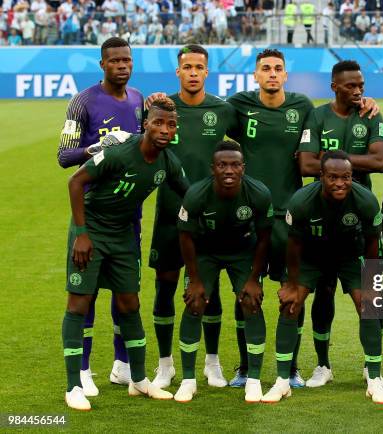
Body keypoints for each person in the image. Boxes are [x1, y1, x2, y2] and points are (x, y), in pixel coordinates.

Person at [227, 49, 379, 388]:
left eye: (277, 69)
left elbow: (321, 144)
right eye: (265, 68)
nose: (271, 73)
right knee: (246, 291)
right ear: (255, 75)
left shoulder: (303, 108)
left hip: (289, 216)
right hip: (247, 214)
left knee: (290, 290)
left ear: (285, 75)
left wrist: (365, 102)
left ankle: (291, 368)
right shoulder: (237, 104)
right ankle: (243, 367)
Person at [62, 97, 189, 410]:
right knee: (79, 303)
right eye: (158, 122)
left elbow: (191, 193)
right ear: (145, 123)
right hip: (91, 230)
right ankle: (73, 386)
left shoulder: (168, 162)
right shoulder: (120, 152)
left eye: (170, 125)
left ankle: (139, 380)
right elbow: (75, 182)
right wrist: (81, 234)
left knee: (130, 303)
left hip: (122, 236)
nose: (164, 129)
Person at [261, 151, 383, 404]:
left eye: (346, 177)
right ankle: (282, 381)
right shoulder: (301, 202)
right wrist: (291, 284)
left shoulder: (365, 201)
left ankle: (374, 379)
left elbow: (373, 243)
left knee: (369, 305)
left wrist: (371, 282)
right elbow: (294, 245)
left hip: (351, 254)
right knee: (290, 305)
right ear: (321, 176)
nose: (340, 183)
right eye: (332, 177)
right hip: (312, 254)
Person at [146, 45, 238, 389]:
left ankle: (212, 362)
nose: (194, 72)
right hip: (169, 212)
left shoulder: (223, 109)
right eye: (188, 67)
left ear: (207, 72)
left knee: (208, 289)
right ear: (178, 72)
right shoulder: (163, 108)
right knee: (165, 286)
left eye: (200, 67)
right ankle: (165, 363)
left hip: (209, 216)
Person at [56, 37, 144, 397]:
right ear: (102, 64)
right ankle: (83, 368)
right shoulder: (83, 102)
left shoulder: (139, 100)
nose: (122, 66)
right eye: (114, 61)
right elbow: (64, 156)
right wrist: (97, 146)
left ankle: (122, 366)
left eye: (127, 60)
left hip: (130, 213)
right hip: (93, 213)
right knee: (86, 293)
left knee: (126, 292)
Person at [297, 60, 383, 388]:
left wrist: (334, 159)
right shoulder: (318, 116)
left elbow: (380, 161)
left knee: (370, 293)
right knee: (324, 291)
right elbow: (306, 163)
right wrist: (340, 161)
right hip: (322, 219)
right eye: (350, 85)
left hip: (361, 220)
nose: (358, 90)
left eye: (361, 84)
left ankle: (371, 364)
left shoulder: (371, 114)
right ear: (334, 86)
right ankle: (323, 365)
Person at [174, 141, 272, 403]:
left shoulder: (258, 193)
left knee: (251, 303)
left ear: (243, 167)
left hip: (243, 252)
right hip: (205, 252)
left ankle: (253, 381)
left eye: (234, 165)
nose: (229, 170)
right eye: (222, 165)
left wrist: (254, 279)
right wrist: (194, 279)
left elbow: (265, 238)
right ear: (213, 168)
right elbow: (185, 237)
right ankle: (187, 380)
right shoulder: (197, 194)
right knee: (194, 303)